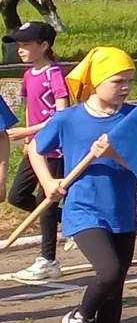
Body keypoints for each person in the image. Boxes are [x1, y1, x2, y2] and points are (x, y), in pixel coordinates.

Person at [31, 47, 137, 323]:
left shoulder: (134, 118)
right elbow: (35, 148)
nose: (126, 87)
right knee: (109, 271)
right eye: (118, 81)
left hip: (122, 211)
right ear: (96, 81)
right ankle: (79, 316)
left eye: (130, 80)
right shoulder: (69, 119)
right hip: (84, 210)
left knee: (115, 288)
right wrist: (48, 182)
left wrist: (115, 153)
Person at [7, 20, 69, 282]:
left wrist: (28, 131)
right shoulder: (28, 75)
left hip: (54, 148)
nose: (20, 50)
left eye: (25, 45)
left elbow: (62, 114)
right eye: (18, 45)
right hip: (35, 147)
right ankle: (73, 222)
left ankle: (48, 260)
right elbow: (30, 108)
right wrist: (28, 139)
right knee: (17, 196)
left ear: (43, 46)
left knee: (47, 200)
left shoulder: (54, 73)